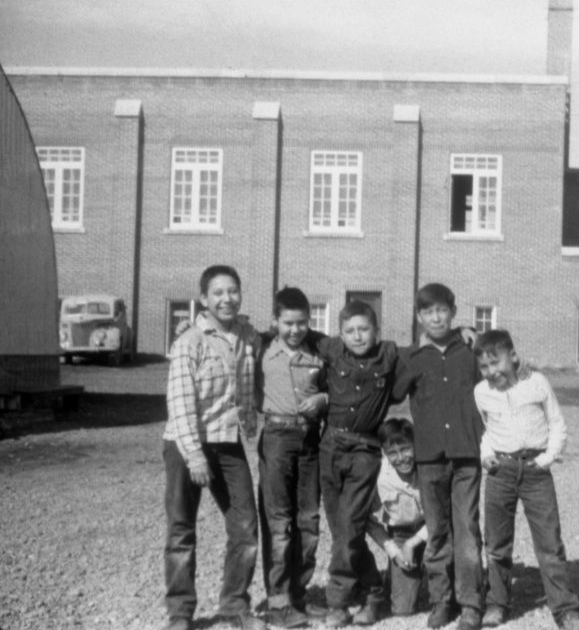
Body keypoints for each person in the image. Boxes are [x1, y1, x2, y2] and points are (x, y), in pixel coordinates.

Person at [162, 265, 266, 630]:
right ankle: (180, 614)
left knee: (245, 527)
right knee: (181, 530)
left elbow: (286, 337)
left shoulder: (248, 335)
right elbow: (180, 403)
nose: (227, 299)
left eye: (233, 291)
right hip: (185, 444)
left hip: (228, 442)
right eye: (218, 293)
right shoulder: (188, 342)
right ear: (203, 299)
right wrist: (194, 455)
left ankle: (234, 606)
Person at [472, 330, 579, 630]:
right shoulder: (481, 392)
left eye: (496, 363)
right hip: (500, 472)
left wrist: (548, 457)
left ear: (513, 356)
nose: (491, 372)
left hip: (536, 471)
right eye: (484, 367)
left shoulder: (536, 382)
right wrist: (486, 455)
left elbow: (557, 423)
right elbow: (486, 430)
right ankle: (497, 603)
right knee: (497, 545)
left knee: (549, 544)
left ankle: (566, 610)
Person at [393, 283, 485, 630]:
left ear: (453, 312)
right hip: (429, 457)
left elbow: (497, 375)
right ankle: (441, 601)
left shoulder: (470, 352)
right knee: (437, 531)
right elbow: (396, 391)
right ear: (419, 317)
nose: (436, 317)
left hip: (466, 455)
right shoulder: (414, 358)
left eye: (442, 310)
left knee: (467, 530)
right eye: (429, 312)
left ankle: (471, 603)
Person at [317, 299, 401, 628]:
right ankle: (373, 590)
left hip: (365, 450)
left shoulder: (390, 354)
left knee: (350, 527)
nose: (357, 336)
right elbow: (294, 334)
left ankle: (337, 603)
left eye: (364, 329)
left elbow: (422, 352)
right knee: (343, 531)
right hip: (331, 447)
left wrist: (463, 333)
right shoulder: (331, 348)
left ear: (376, 331)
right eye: (350, 330)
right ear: (339, 333)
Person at [256, 287, 329, 629]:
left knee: (309, 520)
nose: (295, 330)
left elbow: (343, 380)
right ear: (275, 321)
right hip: (277, 437)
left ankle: (299, 595)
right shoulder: (262, 347)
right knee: (279, 521)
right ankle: (278, 600)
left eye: (302, 322)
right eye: (288, 323)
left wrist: (324, 398)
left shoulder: (321, 348)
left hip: (311, 439)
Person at [366, 418, 429, 617]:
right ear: (385, 452)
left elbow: (443, 512)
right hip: (400, 533)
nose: (401, 458)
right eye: (393, 453)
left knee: (443, 583)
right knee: (403, 609)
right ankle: (398, 577)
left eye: (406, 449)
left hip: (431, 529)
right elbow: (370, 520)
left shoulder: (427, 467)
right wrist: (394, 550)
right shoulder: (380, 478)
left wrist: (414, 543)